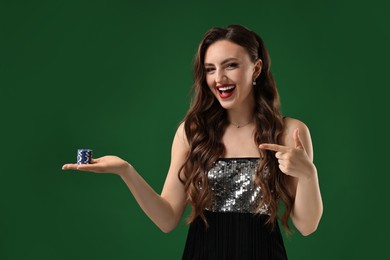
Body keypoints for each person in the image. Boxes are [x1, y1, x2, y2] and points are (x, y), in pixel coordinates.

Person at [62, 24, 323, 259]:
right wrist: (125, 171)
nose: (219, 79)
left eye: (230, 65)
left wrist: (308, 174)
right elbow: (166, 220)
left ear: (256, 68)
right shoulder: (192, 132)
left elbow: (307, 225)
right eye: (210, 69)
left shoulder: (290, 132)